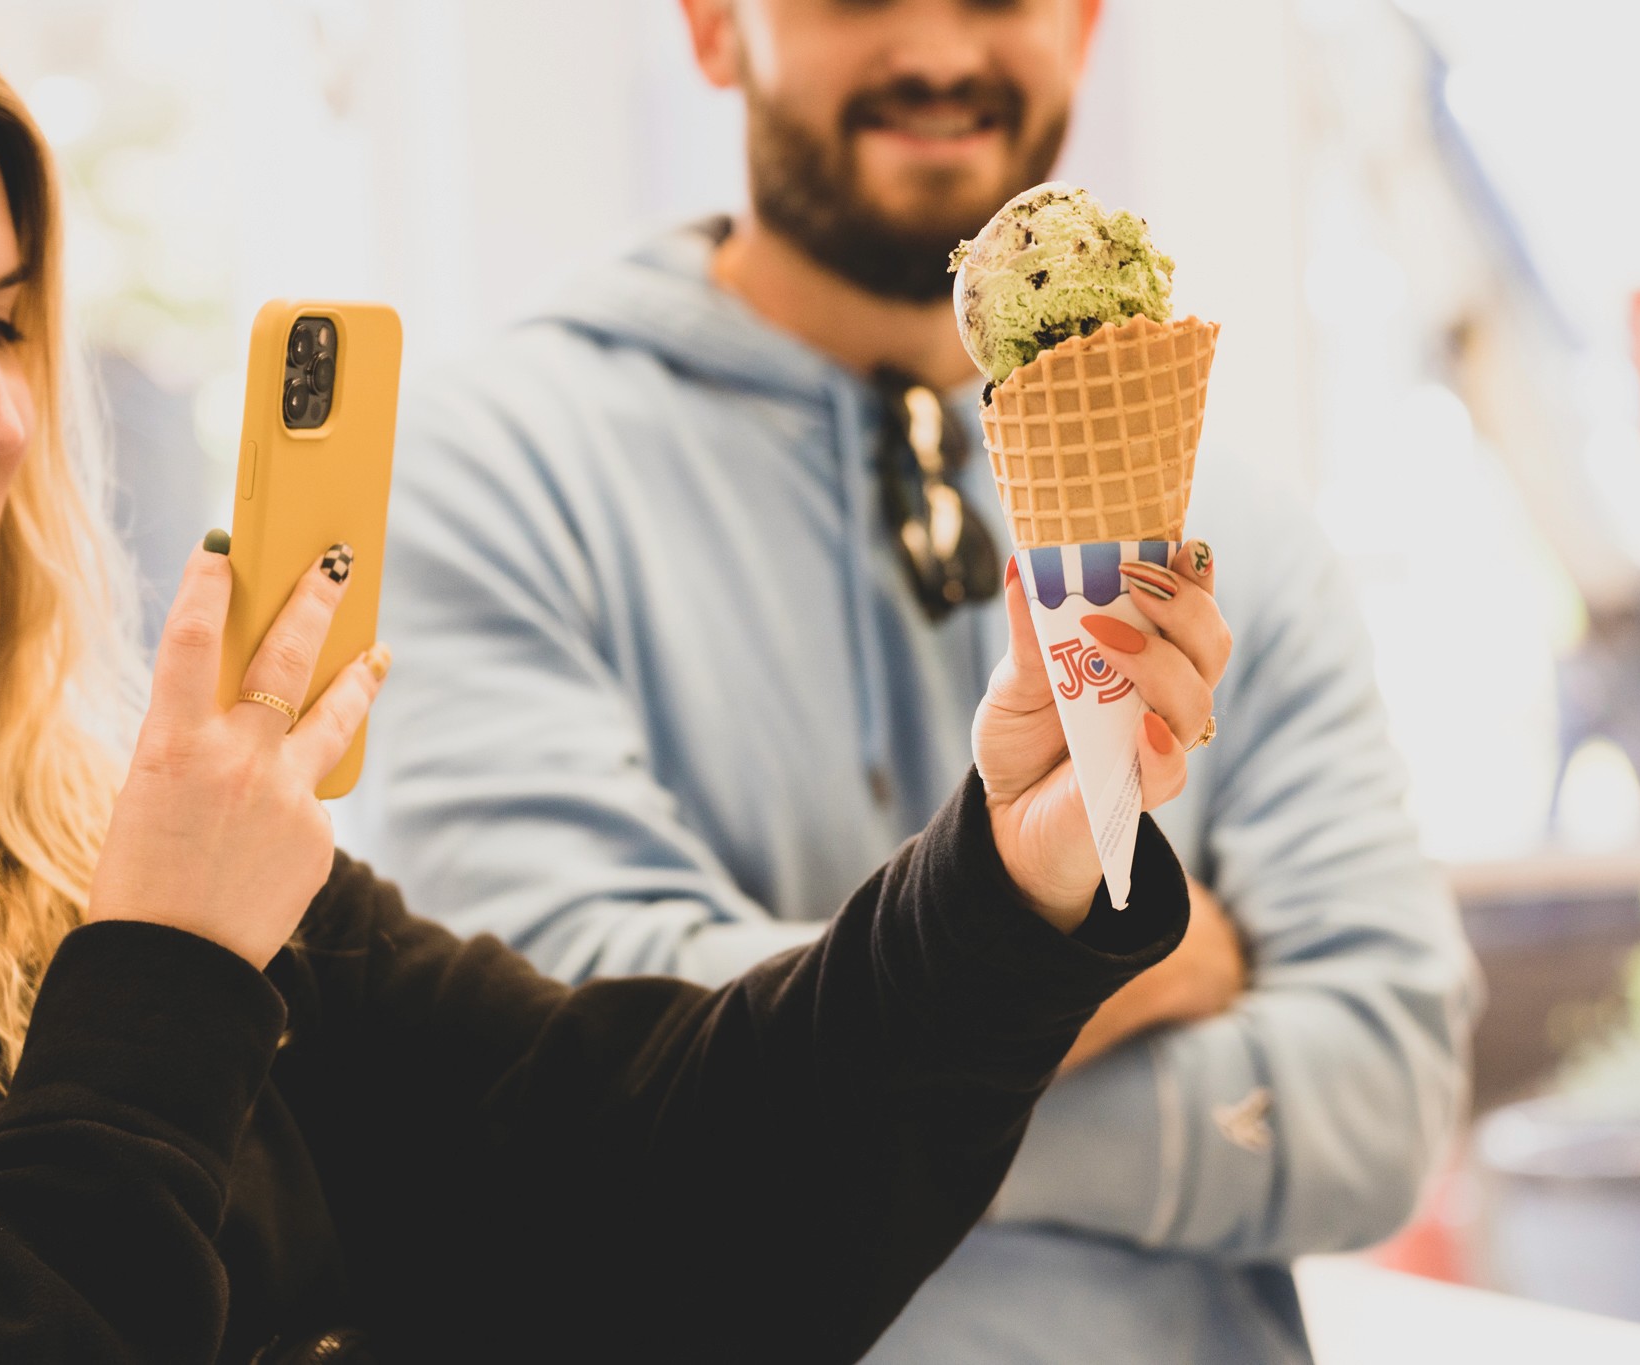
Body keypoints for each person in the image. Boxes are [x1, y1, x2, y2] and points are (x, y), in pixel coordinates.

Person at [0, 2, 1229, 1362]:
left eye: (1, 320)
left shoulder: (89, 849)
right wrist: (167, 971)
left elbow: (677, 1190)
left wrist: (1009, 883)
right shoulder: (152, 914)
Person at [351, 0, 1480, 1360]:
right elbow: (586, 1068)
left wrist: (859, 1081)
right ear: (715, 28)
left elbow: (1382, 1094)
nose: (939, 48)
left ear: (1084, 25)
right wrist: (1139, 971)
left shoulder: (1231, 528)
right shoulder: (488, 480)